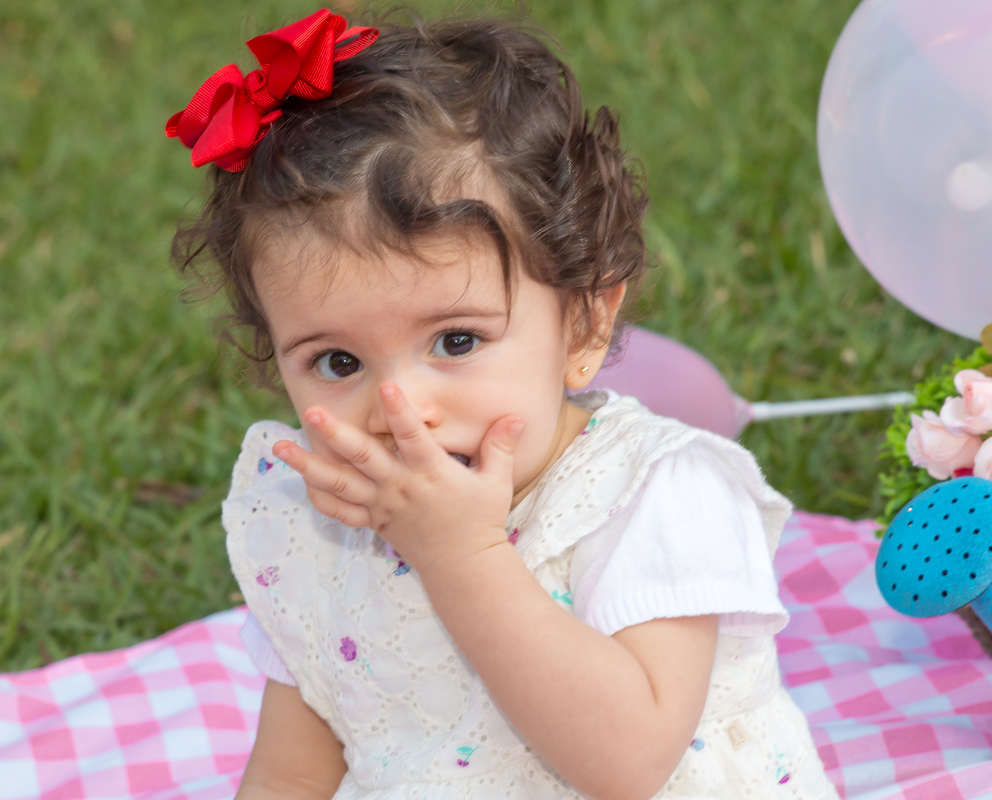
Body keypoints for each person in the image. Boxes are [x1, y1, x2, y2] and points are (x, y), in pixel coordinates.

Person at [169, 9, 837, 800]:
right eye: (337, 361)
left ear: (583, 321)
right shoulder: (322, 526)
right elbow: (292, 771)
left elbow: (629, 763)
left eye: (455, 341)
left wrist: (464, 556)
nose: (399, 409)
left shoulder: (652, 494)